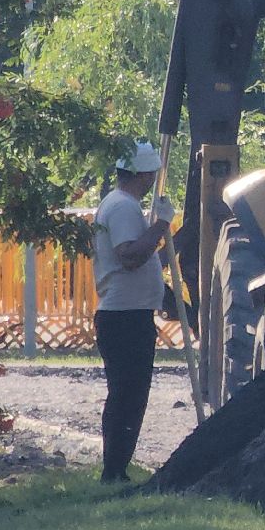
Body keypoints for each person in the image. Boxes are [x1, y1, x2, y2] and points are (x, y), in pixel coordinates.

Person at [92, 140, 173, 483]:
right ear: (143, 174)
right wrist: (160, 226)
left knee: (127, 394)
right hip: (125, 317)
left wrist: (166, 235)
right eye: (152, 173)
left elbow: (149, 258)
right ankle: (114, 470)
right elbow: (130, 256)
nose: (155, 178)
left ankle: (116, 468)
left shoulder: (121, 205)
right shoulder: (123, 207)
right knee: (128, 395)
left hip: (128, 314)